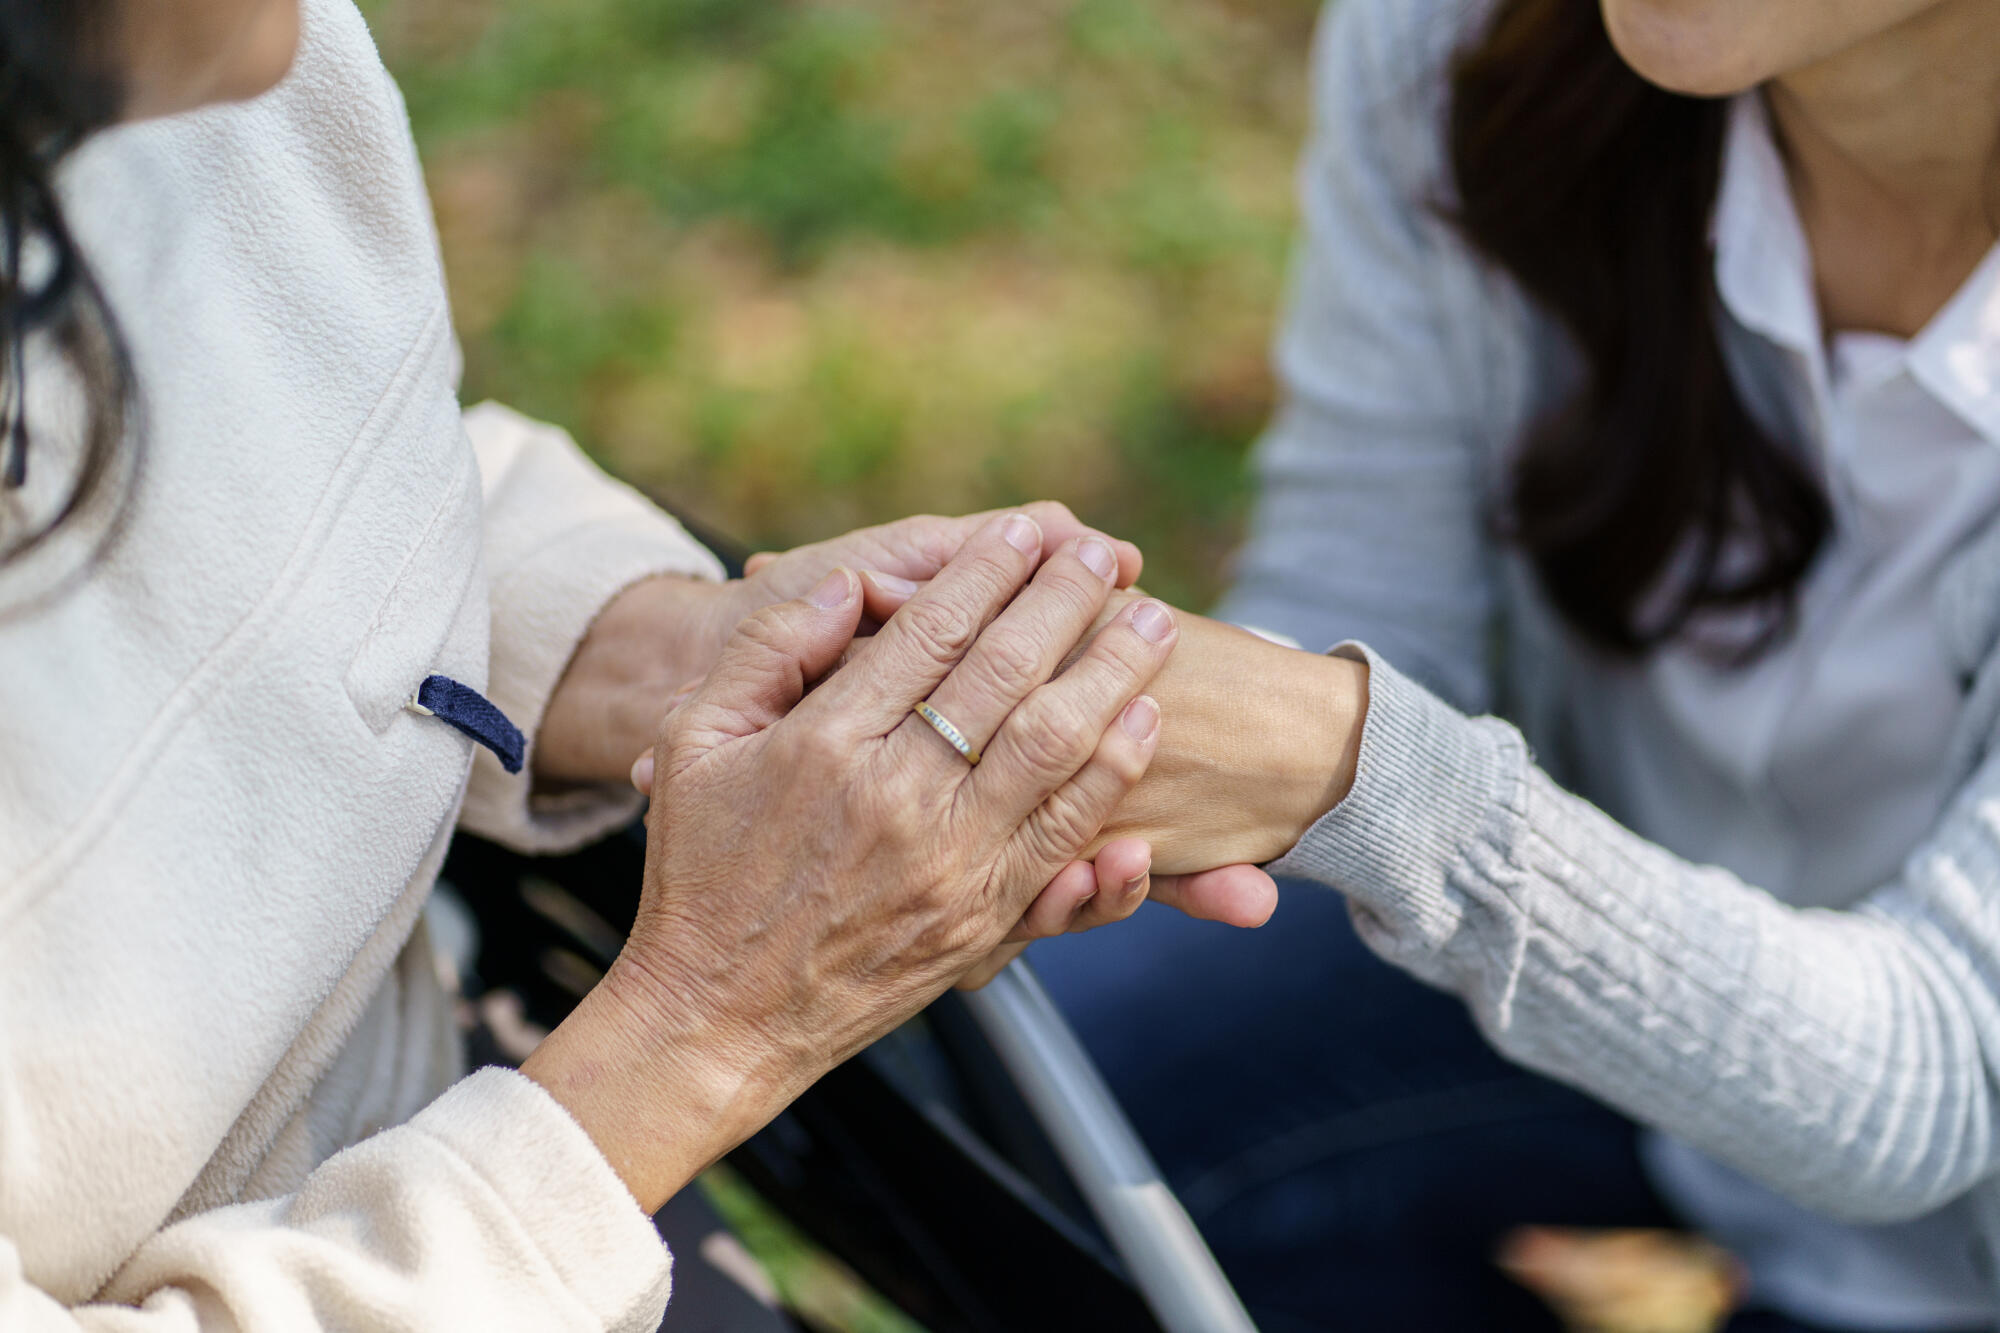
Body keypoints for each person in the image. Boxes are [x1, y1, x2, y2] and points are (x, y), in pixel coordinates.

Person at [0, 0, 1279, 1328]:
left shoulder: (234, 56)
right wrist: (705, 1031)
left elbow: (345, 473)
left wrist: (678, 650)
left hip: (482, 1128)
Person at [1021, 0, 2000, 1329]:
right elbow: (1354, 599)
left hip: (1952, 1240)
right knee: (1002, 1092)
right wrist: (1072, 706)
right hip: (1621, 1028)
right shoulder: (1464, 42)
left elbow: (1938, 1079)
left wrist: (1360, 770)